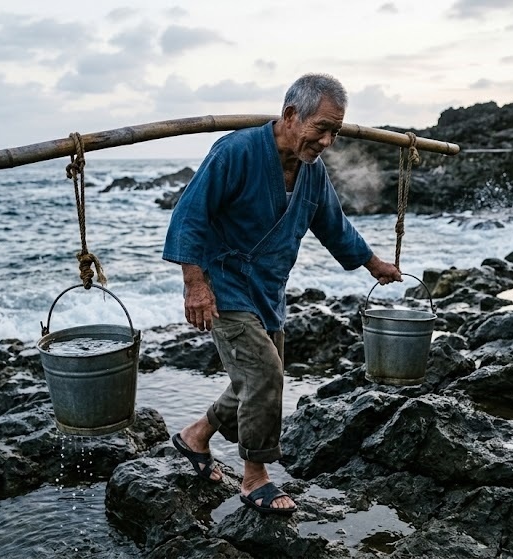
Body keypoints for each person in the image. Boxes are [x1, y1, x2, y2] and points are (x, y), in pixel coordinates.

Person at [162, 73, 401, 515]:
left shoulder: (311, 171)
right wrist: (194, 284)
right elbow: (190, 213)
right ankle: (255, 478)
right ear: (291, 115)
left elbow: (333, 225)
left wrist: (374, 263)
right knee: (265, 375)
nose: (328, 141)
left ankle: (195, 436)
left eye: (336, 132)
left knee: (255, 380)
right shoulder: (236, 151)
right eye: (322, 128)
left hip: (269, 289)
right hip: (224, 284)